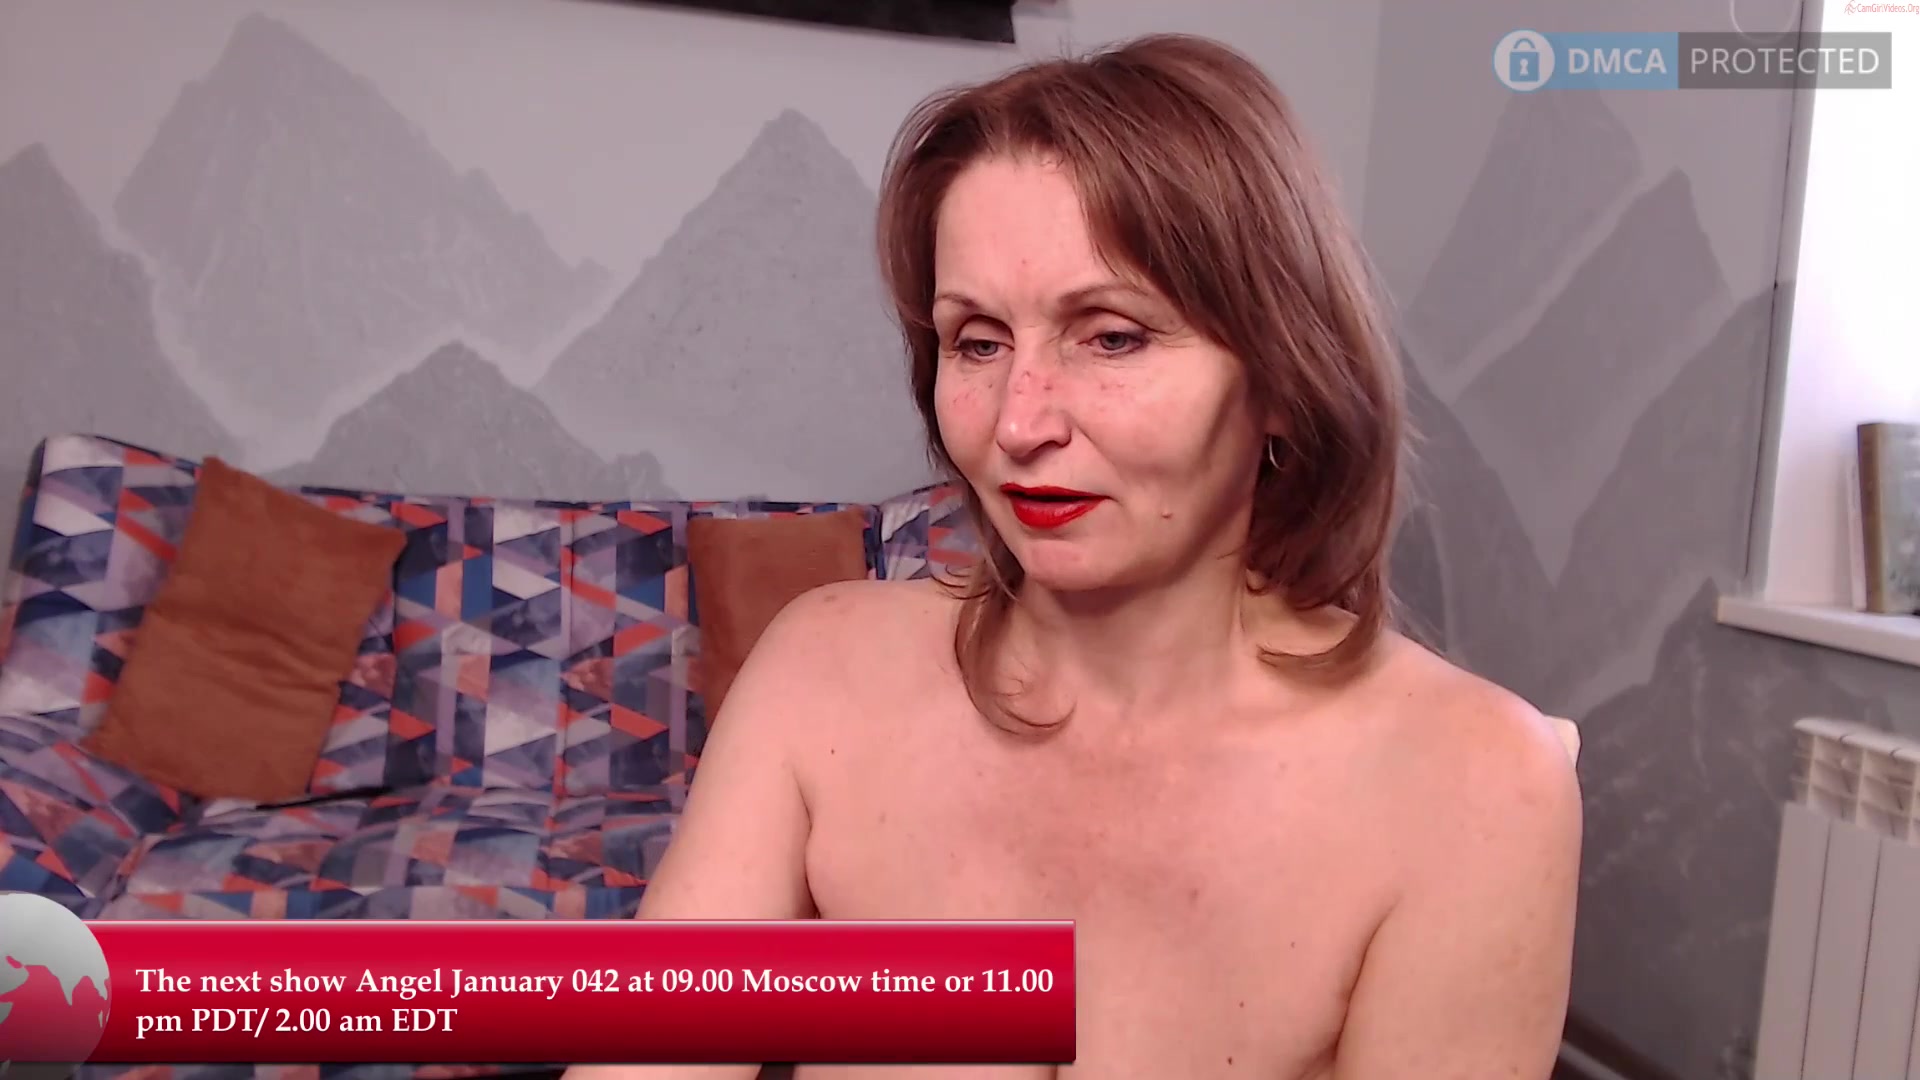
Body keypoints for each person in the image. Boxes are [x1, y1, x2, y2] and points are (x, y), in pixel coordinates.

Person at [568, 32, 1581, 1080]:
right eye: (977, 341)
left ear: (1284, 378)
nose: (1020, 422)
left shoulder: (1475, 786)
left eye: (1112, 337)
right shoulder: (819, 674)